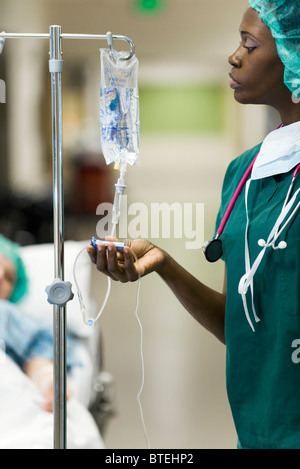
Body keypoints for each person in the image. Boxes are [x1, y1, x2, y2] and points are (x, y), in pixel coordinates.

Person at [87, 1, 300, 449]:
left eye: (249, 42)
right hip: (255, 432)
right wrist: (165, 266)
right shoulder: (243, 173)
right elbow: (242, 326)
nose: (234, 55)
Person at [0, 234, 74, 412]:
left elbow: (40, 352)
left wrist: (49, 381)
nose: (0, 275)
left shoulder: (10, 315)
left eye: (9, 277)